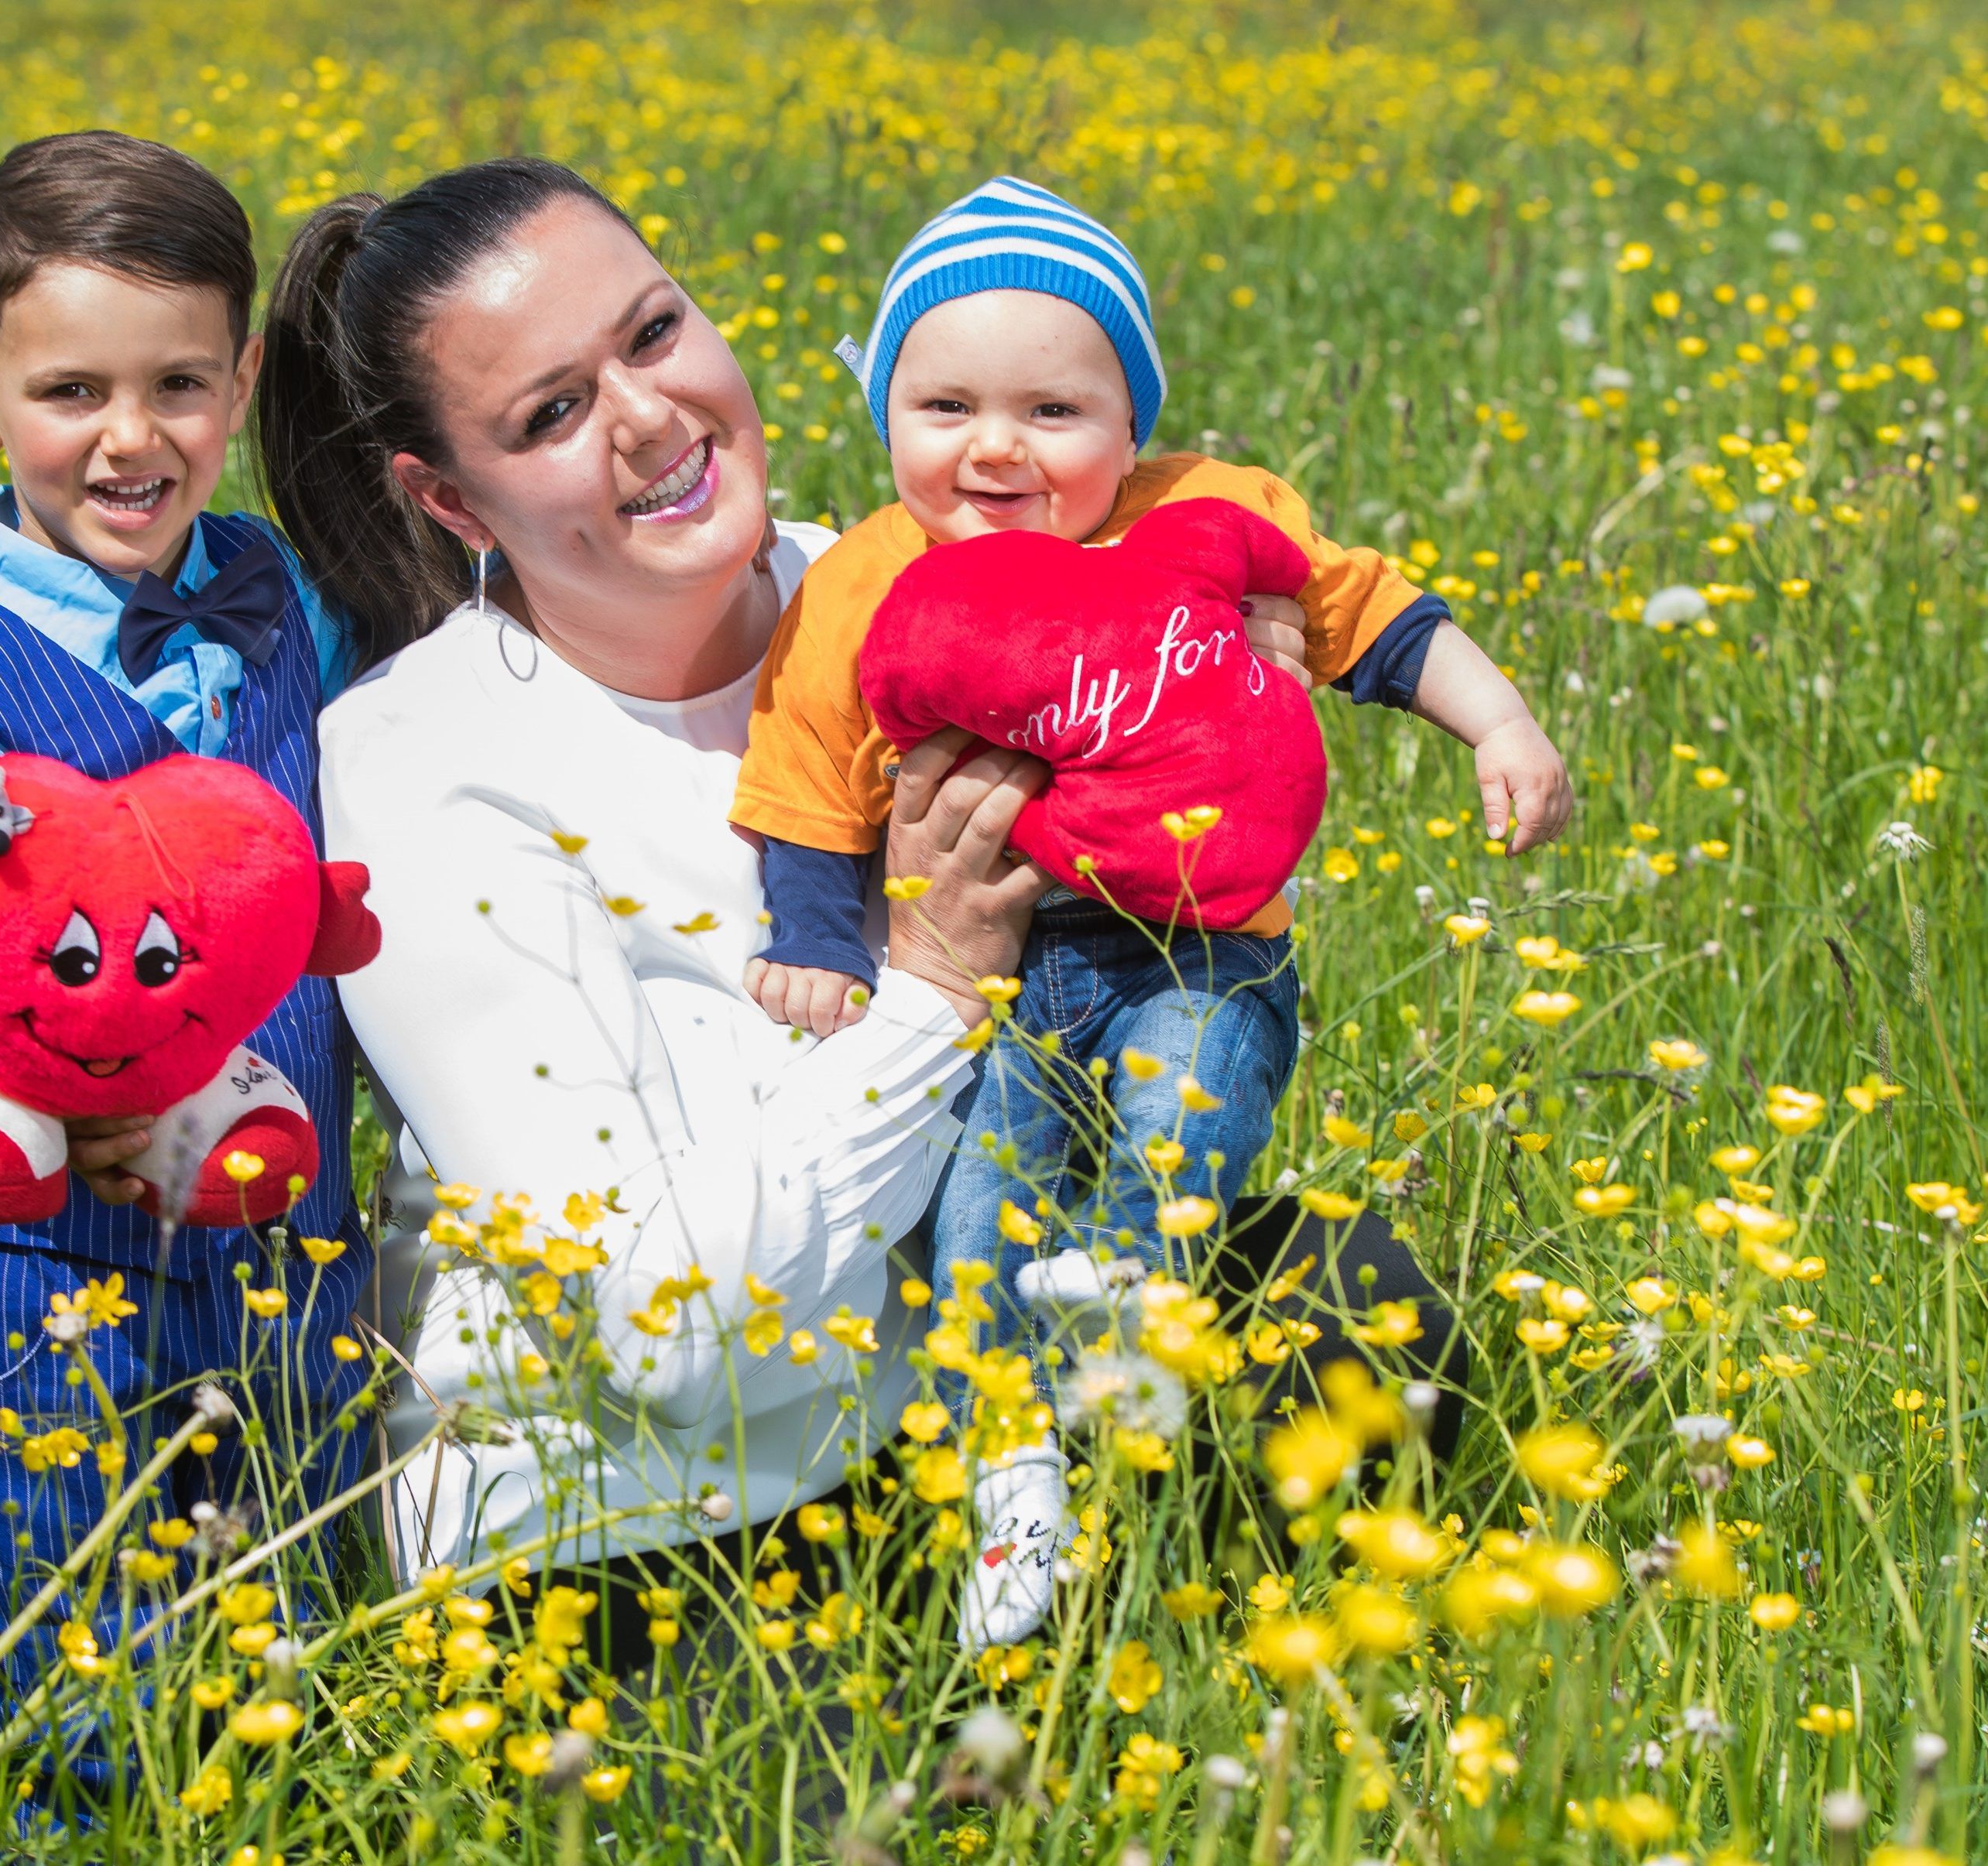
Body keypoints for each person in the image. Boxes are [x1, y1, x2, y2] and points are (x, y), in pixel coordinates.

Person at [252, 158, 1319, 1632]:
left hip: (951, 1409)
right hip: (644, 1539)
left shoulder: (879, 586)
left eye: (653, 332)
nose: (647, 418)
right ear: (450, 500)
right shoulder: (421, 769)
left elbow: (1160, 909)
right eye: (551, 414)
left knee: (1364, 1319)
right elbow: (667, 1347)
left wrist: (1226, 680)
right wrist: (933, 987)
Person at [727, 176, 1573, 1645]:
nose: (996, 446)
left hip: (1197, 940)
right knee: (981, 1215)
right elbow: (805, 767)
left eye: (1053, 412)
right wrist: (808, 936)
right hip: (998, 980)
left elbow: (1370, 615)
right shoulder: (865, 583)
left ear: (1132, 427)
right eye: (945, 407)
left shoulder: (1200, 523)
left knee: (1188, 1109)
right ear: (884, 414)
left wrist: (1499, 724)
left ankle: (1133, 1303)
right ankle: (1014, 1482)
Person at [0, 130, 373, 1798]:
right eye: (71, 391)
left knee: (301, 1595)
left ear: (243, 380)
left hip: (293, 1204)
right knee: (87, 1625)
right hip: (63, 1244)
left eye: (179, 386)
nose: (131, 439)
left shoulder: (286, 593)